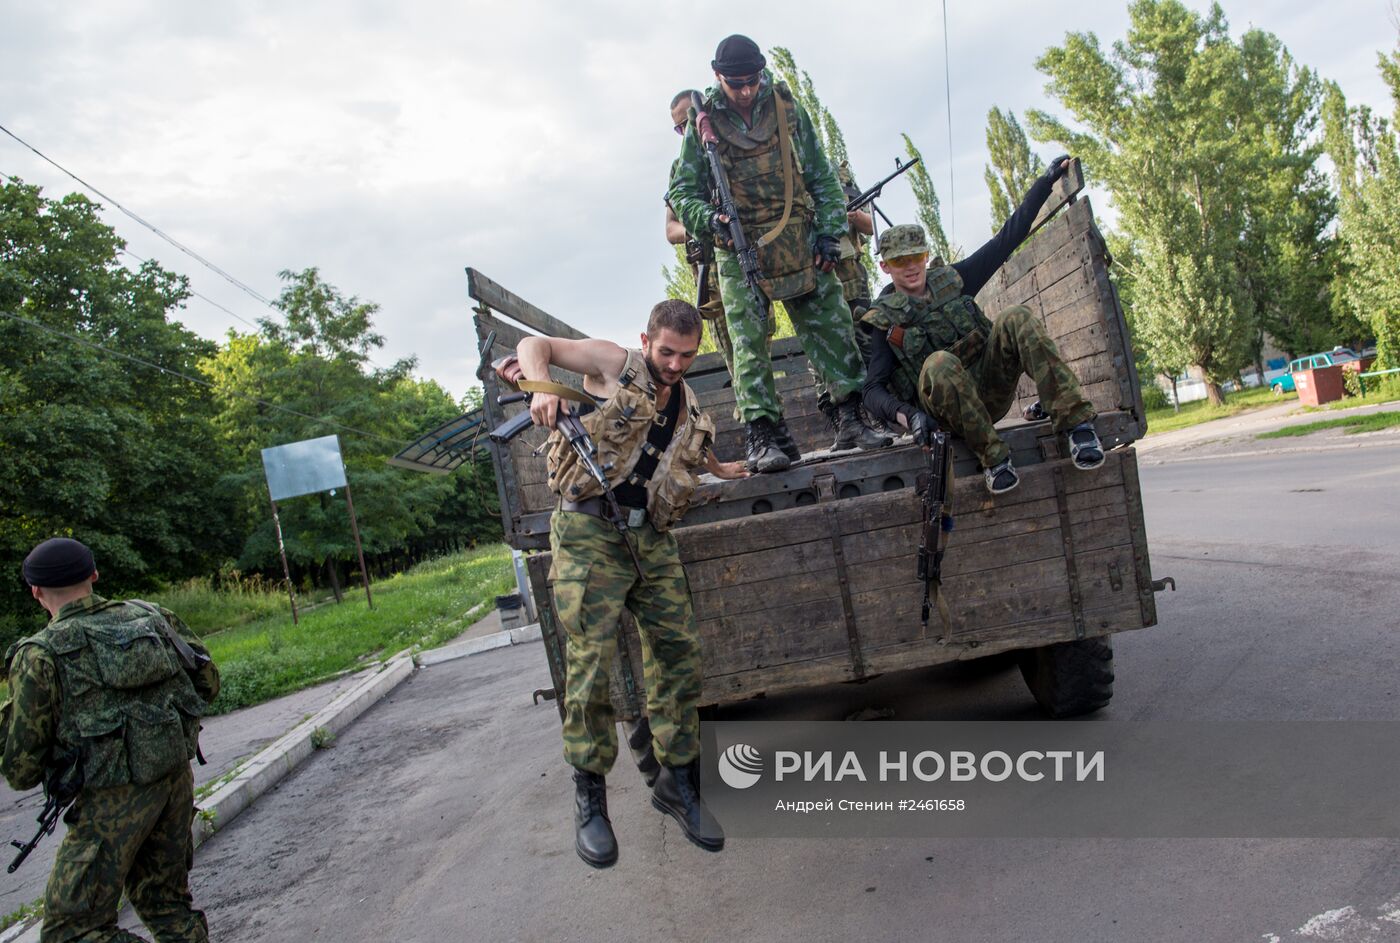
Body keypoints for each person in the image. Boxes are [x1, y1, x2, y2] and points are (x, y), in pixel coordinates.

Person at [496, 299, 746, 868]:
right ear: (646, 339)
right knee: (590, 664)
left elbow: (678, 452)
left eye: (686, 355)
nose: (676, 364)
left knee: (680, 653)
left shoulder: (685, 396)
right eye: (666, 352)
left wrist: (720, 468)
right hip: (589, 532)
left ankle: (678, 783)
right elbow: (535, 347)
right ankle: (590, 803)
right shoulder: (614, 362)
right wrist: (543, 387)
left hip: (649, 539)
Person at [668, 34, 887, 472]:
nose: (746, 91)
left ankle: (849, 419)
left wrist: (828, 232)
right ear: (718, 77)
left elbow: (822, 176)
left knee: (832, 327)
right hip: (739, 247)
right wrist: (711, 221)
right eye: (736, 83)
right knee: (748, 346)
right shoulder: (703, 121)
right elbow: (683, 192)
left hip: (798, 238)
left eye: (752, 80)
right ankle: (764, 436)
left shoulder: (787, 108)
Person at [2, 537, 220, 943]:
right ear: (94, 575)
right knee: (169, 906)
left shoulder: (39, 655)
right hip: (173, 783)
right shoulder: (151, 617)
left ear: (35, 592)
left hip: (108, 806)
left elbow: (20, 770)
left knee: (70, 932)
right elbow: (208, 683)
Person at [859, 157, 1106, 494]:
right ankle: (994, 459)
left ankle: (1077, 425)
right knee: (939, 363)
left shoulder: (954, 280)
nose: (911, 266)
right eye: (900, 261)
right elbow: (873, 391)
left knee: (1015, 317)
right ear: (886, 267)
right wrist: (909, 417)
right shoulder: (883, 318)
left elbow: (1005, 240)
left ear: (926, 256)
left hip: (991, 390)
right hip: (950, 418)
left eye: (916, 257)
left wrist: (1044, 183)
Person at [664, 88, 773, 400]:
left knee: (759, 338)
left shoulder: (734, 148)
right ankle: (750, 412)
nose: (687, 131)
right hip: (710, 272)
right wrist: (706, 223)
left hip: (747, 261)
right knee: (730, 348)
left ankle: (767, 413)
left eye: (690, 121)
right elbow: (671, 229)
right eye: (679, 127)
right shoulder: (680, 170)